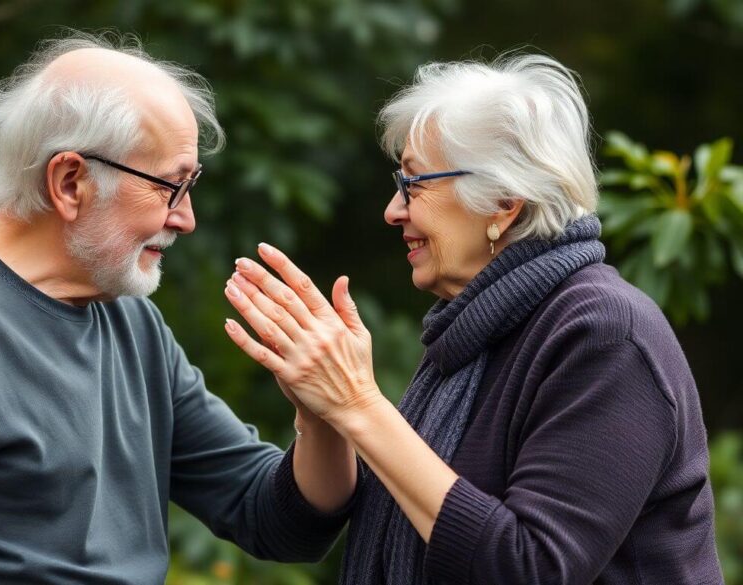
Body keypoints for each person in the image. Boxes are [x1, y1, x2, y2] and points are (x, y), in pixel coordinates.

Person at [0, 32, 359, 584]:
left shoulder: (133, 324)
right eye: (169, 188)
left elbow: (275, 521)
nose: (186, 218)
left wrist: (323, 416)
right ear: (69, 182)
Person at [223, 53, 724, 584]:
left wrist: (357, 403)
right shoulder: (471, 330)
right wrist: (324, 413)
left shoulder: (606, 336)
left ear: (504, 201)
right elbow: (304, 528)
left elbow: (529, 568)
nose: (393, 210)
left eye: (414, 183)